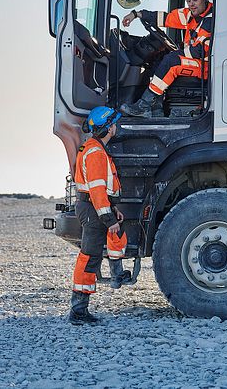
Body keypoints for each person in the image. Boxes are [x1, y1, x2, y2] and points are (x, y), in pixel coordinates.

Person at [69, 106, 131, 325]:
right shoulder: (95, 152)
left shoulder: (96, 148)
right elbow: (96, 190)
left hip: (95, 208)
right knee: (89, 257)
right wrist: (108, 219)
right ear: (107, 128)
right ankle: (78, 311)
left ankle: (117, 274)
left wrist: (112, 211)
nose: (116, 126)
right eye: (113, 123)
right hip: (93, 210)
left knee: (114, 239)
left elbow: (101, 190)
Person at [120, 0, 213, 118]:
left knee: (171, 61)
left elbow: (199, 52)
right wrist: (136, 14)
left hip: (204, 66)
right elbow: (166, 18)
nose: (191, 4)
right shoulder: (191, 14)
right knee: (162, 59)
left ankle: (144, 105)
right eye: (188, 0)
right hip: (196, 60)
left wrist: (177, 53)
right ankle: (157, 108)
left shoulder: (210, 20)